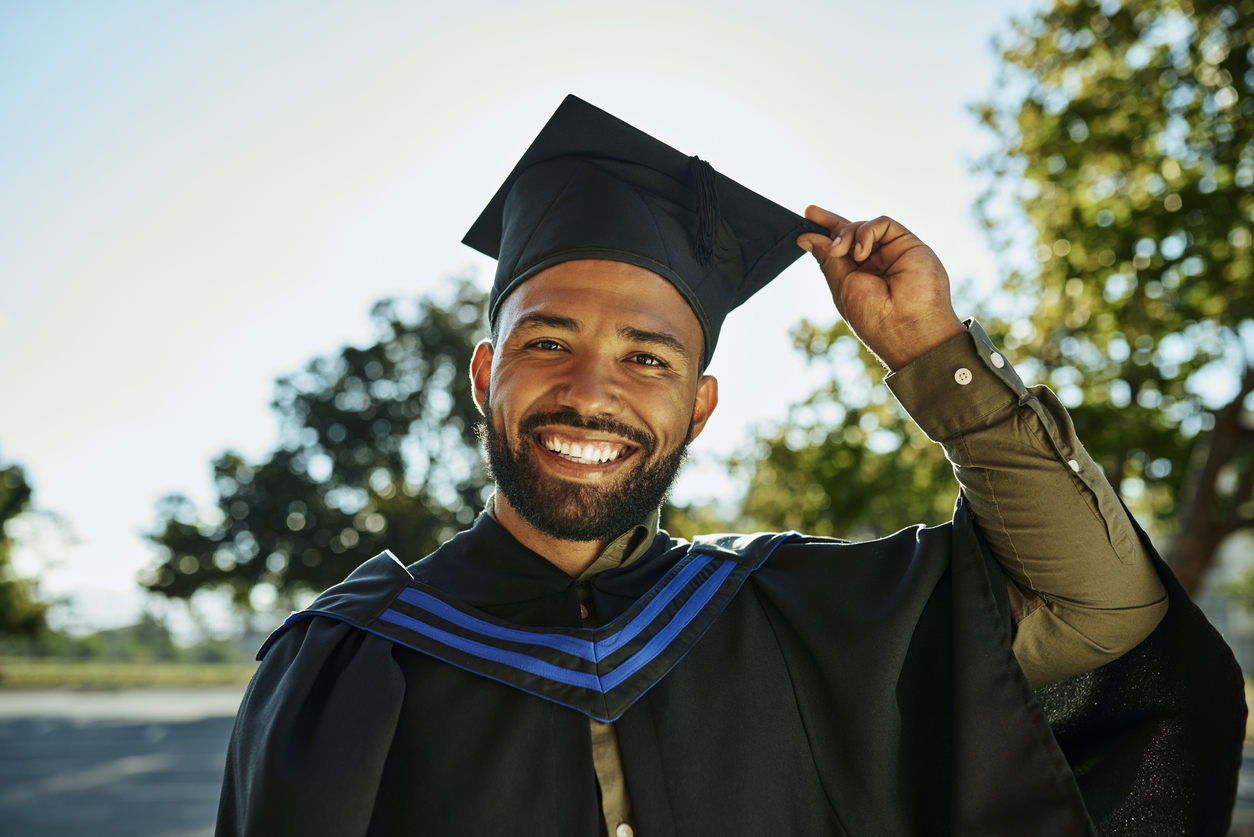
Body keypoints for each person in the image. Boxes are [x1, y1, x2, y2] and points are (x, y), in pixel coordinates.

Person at [216, 96, 1245, 836]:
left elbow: (1105, 610)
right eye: (546, 342)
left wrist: (934, 359)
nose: (590, 389)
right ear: (487, 371)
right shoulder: (348, 662)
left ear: (699, 406)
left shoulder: (802, 616)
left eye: (648, 358)